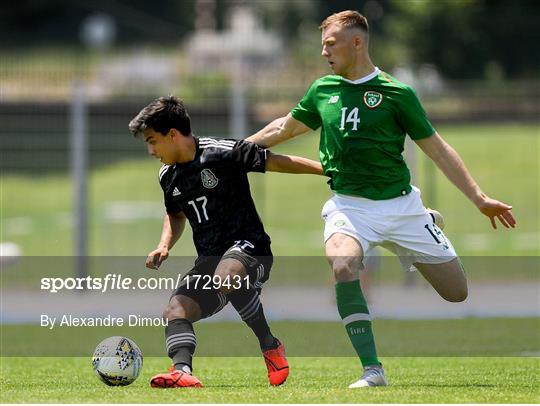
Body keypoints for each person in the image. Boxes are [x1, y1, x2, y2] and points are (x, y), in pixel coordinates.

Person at [247, 10, 516, 388]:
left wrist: (480, 198)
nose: (324, 51)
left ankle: (426, 224)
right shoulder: (322, 90)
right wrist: (233, 149)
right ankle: (373, 370)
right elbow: (283, 128)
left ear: (357, 42)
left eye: (331, 43)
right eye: (322, 44)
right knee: (343, 267)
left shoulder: (397, 93)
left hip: (402, 208)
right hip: (349, 206)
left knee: (457, 293)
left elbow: (438, 150)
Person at [128, 95, 323, 388]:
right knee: (176, 310)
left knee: (226, 275)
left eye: (153, 141)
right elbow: (175, 215)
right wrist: (164, 244)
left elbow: (278, 162)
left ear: (172, 135)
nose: (150, 150)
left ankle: (269, 345)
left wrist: (328, 171)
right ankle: (182, 371)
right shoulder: (168, 175)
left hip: (251, 249)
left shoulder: (222, 153)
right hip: (210, 260)